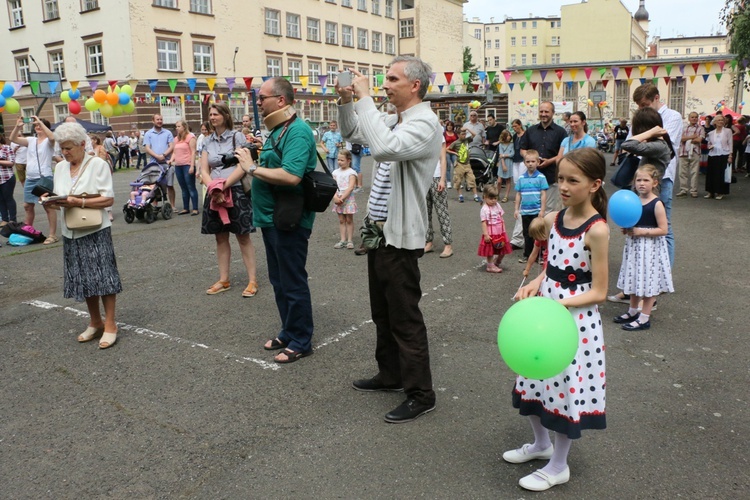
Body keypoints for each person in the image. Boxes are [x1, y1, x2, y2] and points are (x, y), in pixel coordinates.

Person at [337, 55, 440, 423]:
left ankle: (421, 393)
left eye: (393, 79)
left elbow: (382, 148)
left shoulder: (425, 124)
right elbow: (352, 133)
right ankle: (391, 374)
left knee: (405, 317)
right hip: (377, 230)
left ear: (415, 85)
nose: (385, 84)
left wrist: (364, 97)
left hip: (400, 235)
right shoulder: (393, 120)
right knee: (382, 312)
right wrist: (347, 100)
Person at [507, 148, 609, 492]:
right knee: (534, 381)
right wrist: (535, 284)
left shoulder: (597, 230)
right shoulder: (555, 220)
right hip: (546, 317)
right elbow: (551, 269)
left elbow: (599, 291)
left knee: (565, 392)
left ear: (595, 184)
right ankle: (540, 445)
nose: (563, 186)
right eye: (560, 178)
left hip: (572, 324)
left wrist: (559, 305)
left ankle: (559, 465)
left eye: (572, 180)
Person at [236, 77, 317, 364]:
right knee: (279, 280)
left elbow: (291, 176)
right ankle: (288, 330)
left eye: (263, 98)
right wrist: (260, 150)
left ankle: (301, 340)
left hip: (289, 219)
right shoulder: (280, 129)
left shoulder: (297, 131)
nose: (258, 103)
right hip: (272, 218)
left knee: (293, 280)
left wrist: (252, 167)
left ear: (281, 100)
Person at [44, 122, 122, 349]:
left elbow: (108, 199)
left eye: (68, 148)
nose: (64, 153)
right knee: (84, 279)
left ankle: (110, 324)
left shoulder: (98, 164)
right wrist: (51, 202)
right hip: (71, 230)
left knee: (104, 278)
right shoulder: (60, 168)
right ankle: (95, 321)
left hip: (96, 229)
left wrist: (79, 201)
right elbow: (62, 198)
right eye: (62, 148)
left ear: (81, 144)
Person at [199, 103, 259, 299]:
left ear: (225, 115)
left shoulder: (237, 137)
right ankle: (224, 279)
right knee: (220, 237)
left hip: (235, 190)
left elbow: (243, 166)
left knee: (243, 236)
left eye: (216, 113)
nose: (212, 117)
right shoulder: (207, 141)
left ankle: (252, 281)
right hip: (214, 192)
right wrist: (213, 189)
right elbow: (203, 170)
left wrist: (222, 187)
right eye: (210, 114)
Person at [613, 164, 673, 331]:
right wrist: (627, 228)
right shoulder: (633, 201)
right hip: (635, 247)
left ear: (654, 183)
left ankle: (644, 317)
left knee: (648, 281)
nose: (641, 183)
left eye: (646, 180)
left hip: (650, 249)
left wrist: (640, 231)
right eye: (638, 180)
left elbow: (664, 229)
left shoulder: (657, 203)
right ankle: (633, 311)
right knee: (634, 277)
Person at [632, 83, 682, 267]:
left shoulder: (673, 117)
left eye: (644, 104)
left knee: (663, 225)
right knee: (641, 221)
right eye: (638, 105)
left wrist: (646, 135)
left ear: (656, 98)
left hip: (663, 177)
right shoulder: (642, 117)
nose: (641, 109)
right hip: (642, 175)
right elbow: (634, 142)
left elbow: (663, 143)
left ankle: (664, 272)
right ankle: (645, 268)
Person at [9, 116, 59, 245]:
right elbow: (12, 139)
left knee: (48, 206)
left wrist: (41, 123)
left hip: (44, 177)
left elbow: (53, 137)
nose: (37, 127)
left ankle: (52, 235)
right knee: (27, 206)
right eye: (36, 125)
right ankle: (27, 232)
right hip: (30, 178)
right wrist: (18, 126)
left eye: (40, 125)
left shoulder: (49, 141)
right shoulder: (31, 140)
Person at [519, 101, 566, 213]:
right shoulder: (530, 131)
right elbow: (522, 149)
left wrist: (550, 161)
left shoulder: (561, 132)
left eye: (546, 111)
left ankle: (545, 230)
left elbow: (564, 154)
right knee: (530, 207)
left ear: (553, 113)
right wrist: (531, 159)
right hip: (531, 177)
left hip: (551, 176)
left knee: (549, 209)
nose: (543, 114)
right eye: (541, 111)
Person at [514, 149, 548, 264]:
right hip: (525, 212)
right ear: (524, 163)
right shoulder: (521, 178)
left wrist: (542, 210)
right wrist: (516, 209)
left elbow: (543, 194)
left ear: (538, 162)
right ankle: (527, 254)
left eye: (533, 161)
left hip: (536, 211)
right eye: (528, 161)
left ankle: (540, 255)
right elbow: (518, 194)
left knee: (537, 233)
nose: (530, 164)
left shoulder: (541, 177)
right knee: (526, 233)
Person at [424, 127, 453, 258]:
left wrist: (442, 179)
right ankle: (428, 241)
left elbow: (443, 159)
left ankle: (448, 245)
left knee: (442, 212)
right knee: (425, 213)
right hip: (422, 178)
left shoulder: (438, 136)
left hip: (436, 177)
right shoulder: (419, 135)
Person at [143, 114, 176, 208]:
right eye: (157, 119)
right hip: (154, 164)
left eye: (161, 119)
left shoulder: (168, 133)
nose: (159, 121)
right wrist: (157, 156)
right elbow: (147, 148)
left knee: (170, 185)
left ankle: (172, 206)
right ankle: (155, 205)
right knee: (153, 185)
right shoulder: (148, 134)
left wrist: (164, 155)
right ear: (153, 121)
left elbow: (171, 146)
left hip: (167, 163)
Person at [478, 184, 511, 273]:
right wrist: (486, 234)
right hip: (491, 233)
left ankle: (497, 262)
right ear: (485, 197)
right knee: (490, 250)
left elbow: (501, 217)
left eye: (495, 198)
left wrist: (504, 230)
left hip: (500, 231)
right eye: (491, 198)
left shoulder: (497, 205)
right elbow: (484, 223)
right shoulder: (484, 209)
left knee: (503, 249)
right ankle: (490, 266)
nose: (493, 201)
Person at [170, 119, 199, 215]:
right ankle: (186, 208)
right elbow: (174, 152)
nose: (176, 128)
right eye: (176, 126)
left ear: (184, 127)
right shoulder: (176, 139)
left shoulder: (191, 137)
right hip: (178, 166)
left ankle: (195, 208)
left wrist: (192, 166)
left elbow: (193, 151)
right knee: (183, 188)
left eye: (179, 126)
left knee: (191, 186)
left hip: (187, 165)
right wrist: (171, 160)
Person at [332, 149, 357, 249]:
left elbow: (351, 187)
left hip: (348, 199)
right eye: (338, 160)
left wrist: (342, 198)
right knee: (341, 220)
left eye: (342, 160)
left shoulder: (351, 172)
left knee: (349, 220)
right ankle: (342, 240)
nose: (339, 162)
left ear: (348, 160)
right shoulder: (335, 172)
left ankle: (350, 240)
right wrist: (335, 197)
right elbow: (333, 186)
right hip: (338, 199)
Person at [676, 112, 705, 198]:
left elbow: (699, 140)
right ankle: (683, 189)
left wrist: (687, 138)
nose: (694, 119)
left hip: (695, 152)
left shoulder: (701, 128)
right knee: (682, 172)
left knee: (694, 172)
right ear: (689, 118)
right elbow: (680, 139)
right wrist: (692, 137)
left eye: (696, 117)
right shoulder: (683, 128)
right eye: (692, 117)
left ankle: (693, 190)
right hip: (683, 152)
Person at [704, 114, 732, 199]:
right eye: (719, 120)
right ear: (715, 122)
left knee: (721, 174)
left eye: (722, 120)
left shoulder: (728, 131)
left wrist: (730, 155)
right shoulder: (711, 133)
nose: (720, 122)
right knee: (711, 173)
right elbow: (708, 144)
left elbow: (730, 143)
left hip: (724, 154)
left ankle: (720, 192)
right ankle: (710, 192)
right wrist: (709, 146)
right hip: (713, 154)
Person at [449, 128, 480, 203]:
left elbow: (474, 134)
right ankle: (460, 195)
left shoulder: (467, 140)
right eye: (462, 134)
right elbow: (447, 149)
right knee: (458, 180)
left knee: (472, 179)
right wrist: (454, 153)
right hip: (459, 164)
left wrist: (467, 128)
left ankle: (476, 195)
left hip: (467, 164)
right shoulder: (456, 143)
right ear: (458, 135)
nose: (464, 135)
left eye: (465, 134)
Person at [509, 119, 526, 249]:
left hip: (522, 160)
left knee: (521, 178)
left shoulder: (525, 134)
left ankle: (522, 195)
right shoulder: (515, 136)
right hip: (515, 159)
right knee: (516, 180)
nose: (514, 128)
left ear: (520, 125)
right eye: (513, 126)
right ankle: (518, 195)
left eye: (515, 126)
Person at [0, 134, 17, 227]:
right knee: (0, 200)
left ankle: (12, 219)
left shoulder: (6, 148)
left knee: (8, 198)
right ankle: (4, 219)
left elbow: (11, 163)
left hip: (7, 178)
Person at [496, 129, 514, 203]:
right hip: (502, 162)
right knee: (499, 181)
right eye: (508, 136)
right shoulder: (500, 145)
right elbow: (500, 155)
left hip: (509, 162)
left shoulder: (511, 144)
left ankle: (506, 196)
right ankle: (497, 194)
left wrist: (504, 155)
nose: (509, 137)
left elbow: (512, 154)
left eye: (510, 135)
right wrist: (503, 164)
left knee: (508, 180)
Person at [443, 120, 459, 188]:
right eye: (448, 125)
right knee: (448, 166)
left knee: (457, 166)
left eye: (451, 125)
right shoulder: (444, 134)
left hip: (454, 151)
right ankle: (448, 181)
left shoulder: (455, 134)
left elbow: (458, 142)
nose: (449, 127)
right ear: (446, 126)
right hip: (446, 151)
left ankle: (458, 181)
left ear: (453, 126)